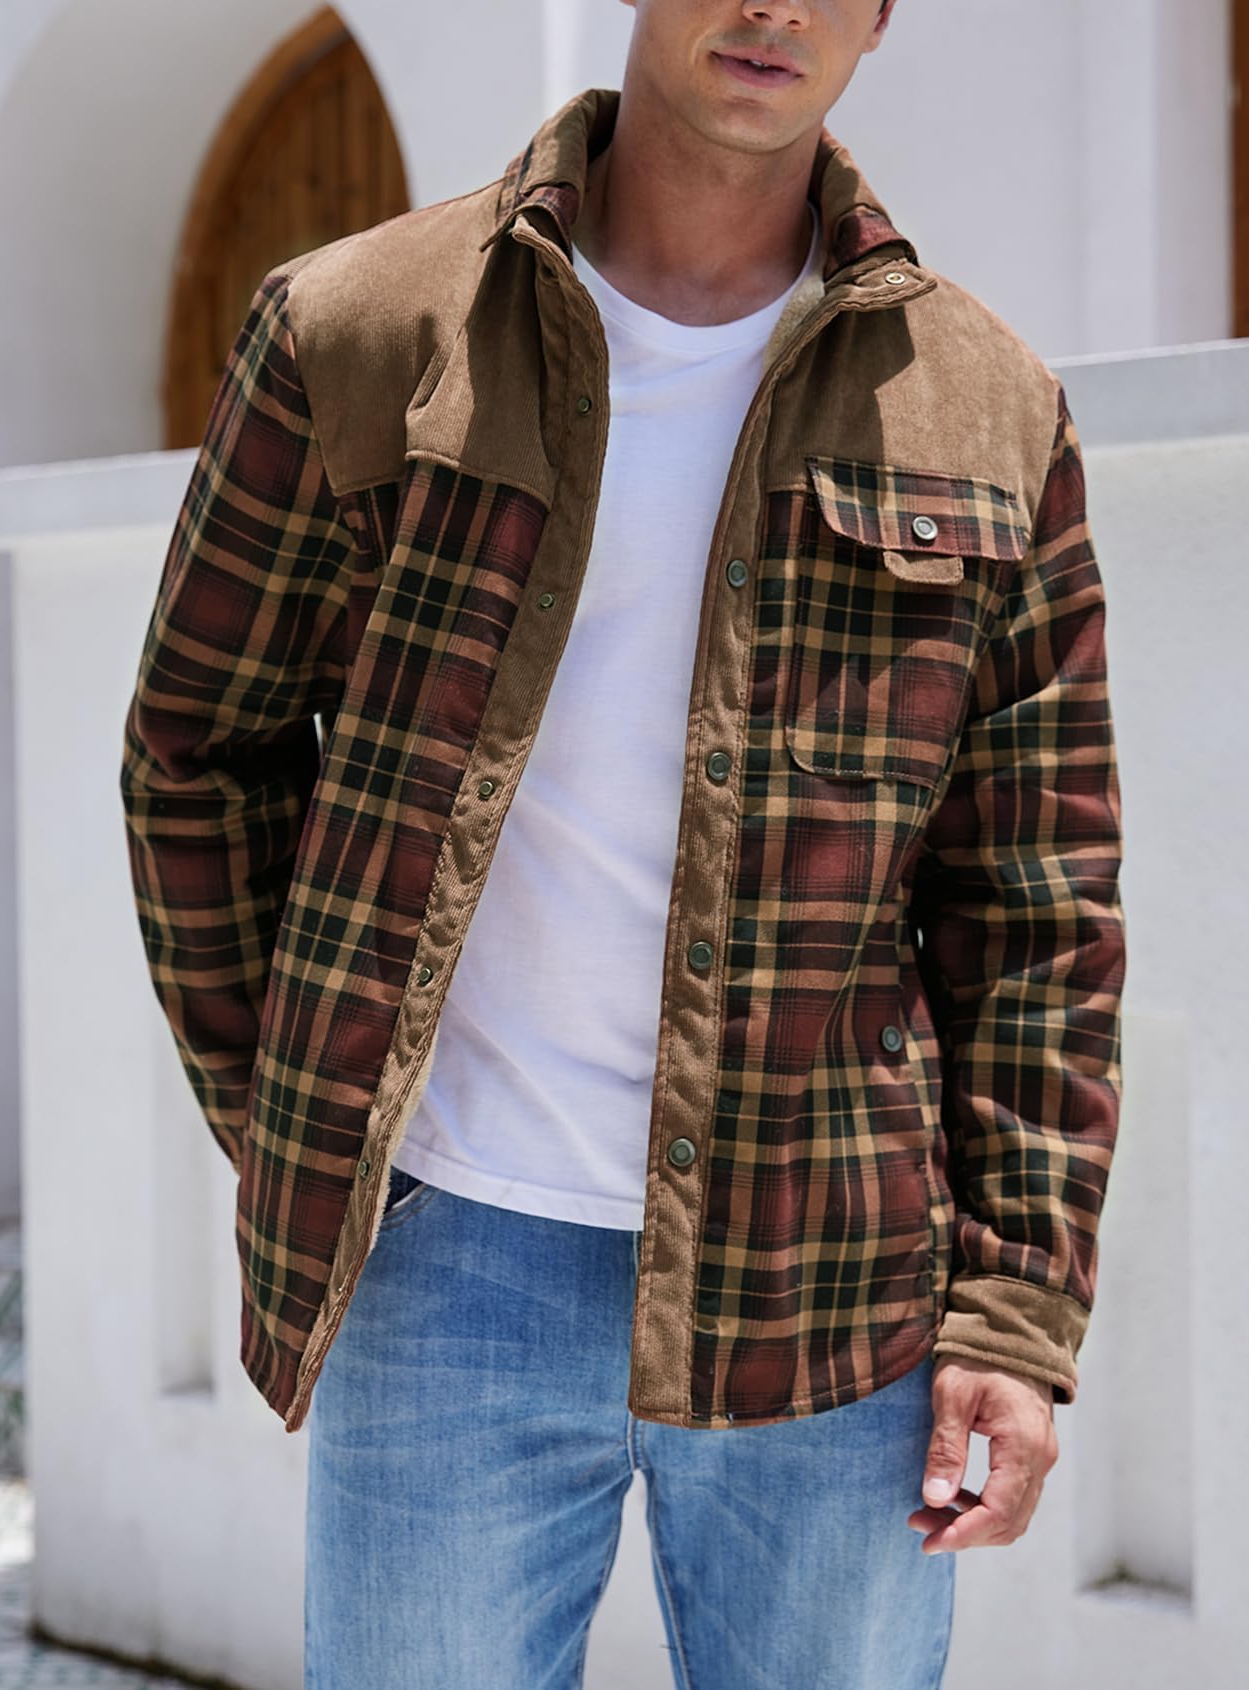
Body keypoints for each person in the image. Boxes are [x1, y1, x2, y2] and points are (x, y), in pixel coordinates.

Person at [119, 1, 1126, 1685]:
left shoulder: (987, 410)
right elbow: (195, 755)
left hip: (833, 1290)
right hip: (449, 1258)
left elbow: (1039, 906)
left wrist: (1016, 1312)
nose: (775, 8)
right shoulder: (362, 331)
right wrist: (311, 1120)